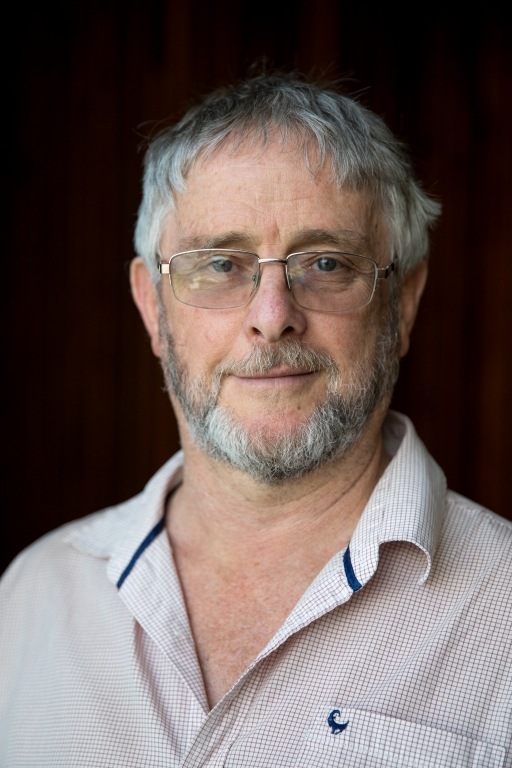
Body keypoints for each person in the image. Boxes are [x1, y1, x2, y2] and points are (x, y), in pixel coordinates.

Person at [1, 73, 510, 768]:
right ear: (152, 306)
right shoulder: (33, 596)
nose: (272, 317)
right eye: (220, 264)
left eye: (326, 262)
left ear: (404, 304)